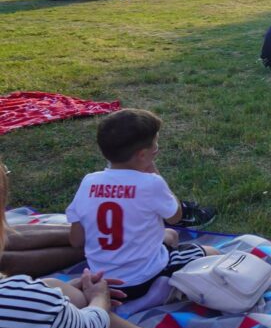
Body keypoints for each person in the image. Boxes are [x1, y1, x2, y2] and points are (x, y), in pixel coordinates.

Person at [0, 163, 225, 328]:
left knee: (55, 286)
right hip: (127, 288)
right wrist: (100, 299)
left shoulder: (90, 182)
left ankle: (109, 243)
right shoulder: (24, 300)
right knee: (207, 253)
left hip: (102, 275)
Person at [65, 109, 220, 302]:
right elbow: (176, 216)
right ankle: (159, 290)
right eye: (156, 145)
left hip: (102, 280)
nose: (157, 148)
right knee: (213, 253)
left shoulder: (88, 182)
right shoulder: (151, 184)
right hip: (142, 279)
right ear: (142, 155)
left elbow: (76, 240)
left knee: (170, 235)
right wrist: (154, 173)